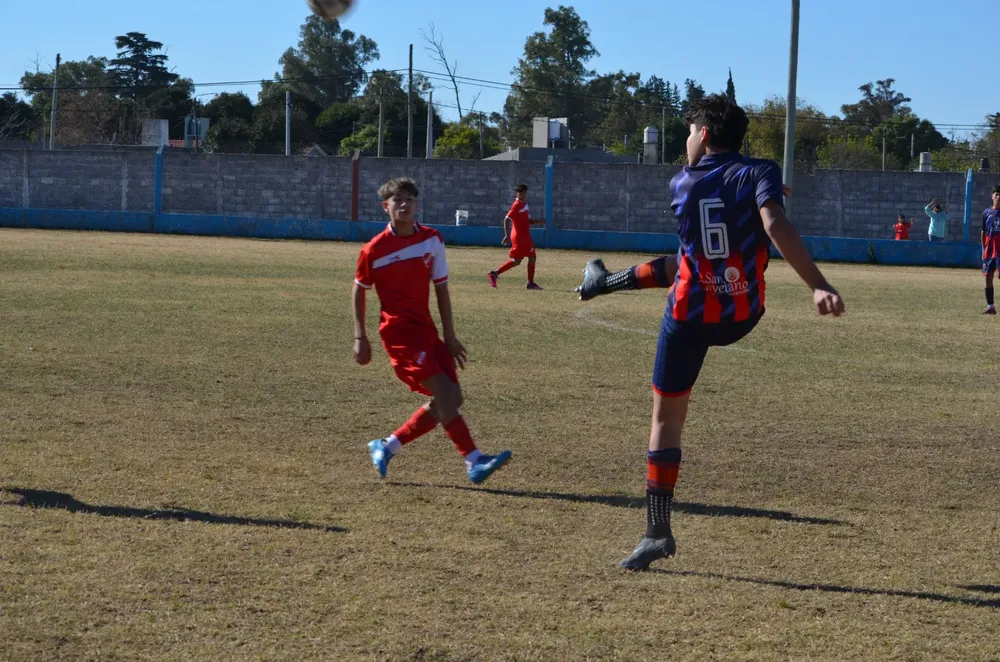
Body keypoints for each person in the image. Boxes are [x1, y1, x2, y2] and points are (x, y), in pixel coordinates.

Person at [575, 94, 846, 571]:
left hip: (690, 318)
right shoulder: (761, 171)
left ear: (701, 133)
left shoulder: (682, 183)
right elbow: (775, 223)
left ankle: (657, 531)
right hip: (742, 314)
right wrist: (818, 284)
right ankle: (603, 282)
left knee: (666, 419)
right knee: (688, 265)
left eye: (689, 132)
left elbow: (709, 243)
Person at [353, 177, 512, 484]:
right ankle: (474, 461)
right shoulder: (373, 250)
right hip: (399, 334)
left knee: (452, 398)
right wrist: (360, 336)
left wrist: (450, 336)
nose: (404, 204)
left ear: (416, 204)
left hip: (427, 331)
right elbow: (359, 290)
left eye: (410, 199)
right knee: (443, 392)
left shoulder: (432, 240)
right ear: (386, 206)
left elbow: (441, 289)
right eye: (397, 200)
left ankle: (387, 445)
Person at [487, 184, 546, 290]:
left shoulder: (524, 204)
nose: (521, 194)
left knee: (523, 259)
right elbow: (507, 219)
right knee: (524, 259)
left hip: (525, 235)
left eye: (523, 192)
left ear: (526, 193)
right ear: (517, 193)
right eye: (519, 192)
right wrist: (506, 235)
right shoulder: (517, 204)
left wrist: (539, 221)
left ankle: (496, 274)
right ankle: (495, 273)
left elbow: (526, 221)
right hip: (519, 236)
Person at [981, 184, 1000, 315]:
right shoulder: (987, 212)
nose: (999, 197)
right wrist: (983, 250)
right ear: (992, 196)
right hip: (989, 250)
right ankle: (991, 307)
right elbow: (983, 232)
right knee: (988, 277)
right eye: (997, 194)